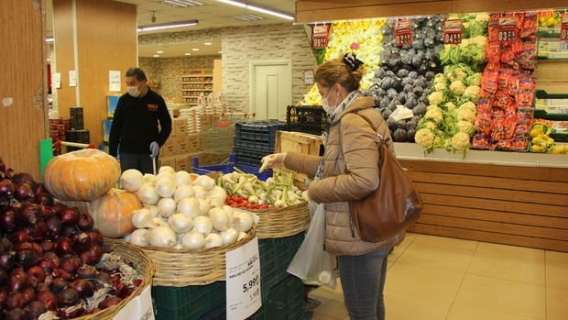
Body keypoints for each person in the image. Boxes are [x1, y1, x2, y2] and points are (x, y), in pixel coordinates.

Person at [262, 53, 404, 320]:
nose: (321, 99)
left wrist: (315, 191)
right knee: (373, 304)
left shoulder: (351, 122)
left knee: (361, 310)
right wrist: (286, 159)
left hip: (358, 233)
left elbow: (364, 179)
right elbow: (334, 164)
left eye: (322, 92)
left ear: (337, 90)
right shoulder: (368, 113)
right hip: (377, 225)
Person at [109, 67, 172, 174]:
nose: (130, 87)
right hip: (127, 153)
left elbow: (167, 125)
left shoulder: (156, 100)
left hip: (148, 153)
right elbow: (115, 128)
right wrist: (112, 154)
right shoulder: (124, 100)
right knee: (129, 185)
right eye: (127, 84)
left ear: (143, 82)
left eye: (133, 83)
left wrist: (158, 142)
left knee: (148, 185)